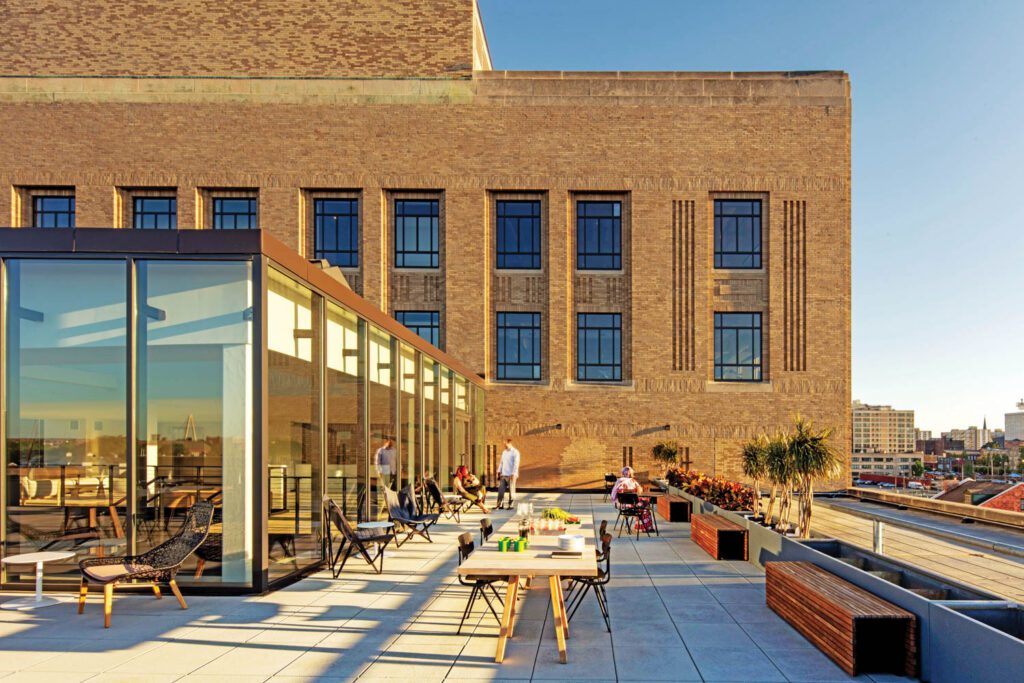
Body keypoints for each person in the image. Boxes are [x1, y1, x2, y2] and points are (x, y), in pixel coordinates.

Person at [496, 438, 521, 510]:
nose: (504, 446)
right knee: (501, 490)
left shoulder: (515, 452)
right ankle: (499, 505)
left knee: (511, 490)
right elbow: (501, 462)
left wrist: (513, 474)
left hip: (511, 475)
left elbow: (516, 464)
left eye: (505, 444)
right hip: (503, 474)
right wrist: (498, 472)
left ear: (509, 443)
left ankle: (511, 505)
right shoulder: (504, 452)